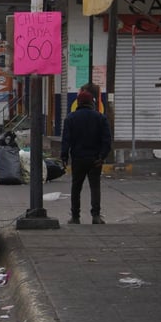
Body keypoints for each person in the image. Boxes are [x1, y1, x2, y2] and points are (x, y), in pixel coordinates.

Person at [61, 89, 112, 224]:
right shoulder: (100, 118)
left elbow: (66, 140)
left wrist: (64, 157)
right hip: (95, 159)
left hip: (78, 159)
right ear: (92, 102)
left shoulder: (70, 118)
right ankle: (95, 215)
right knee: (95, 186)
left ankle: (75, 216)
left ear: (78, 102)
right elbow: (107, 140)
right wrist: (102, 156)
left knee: (76, 187)